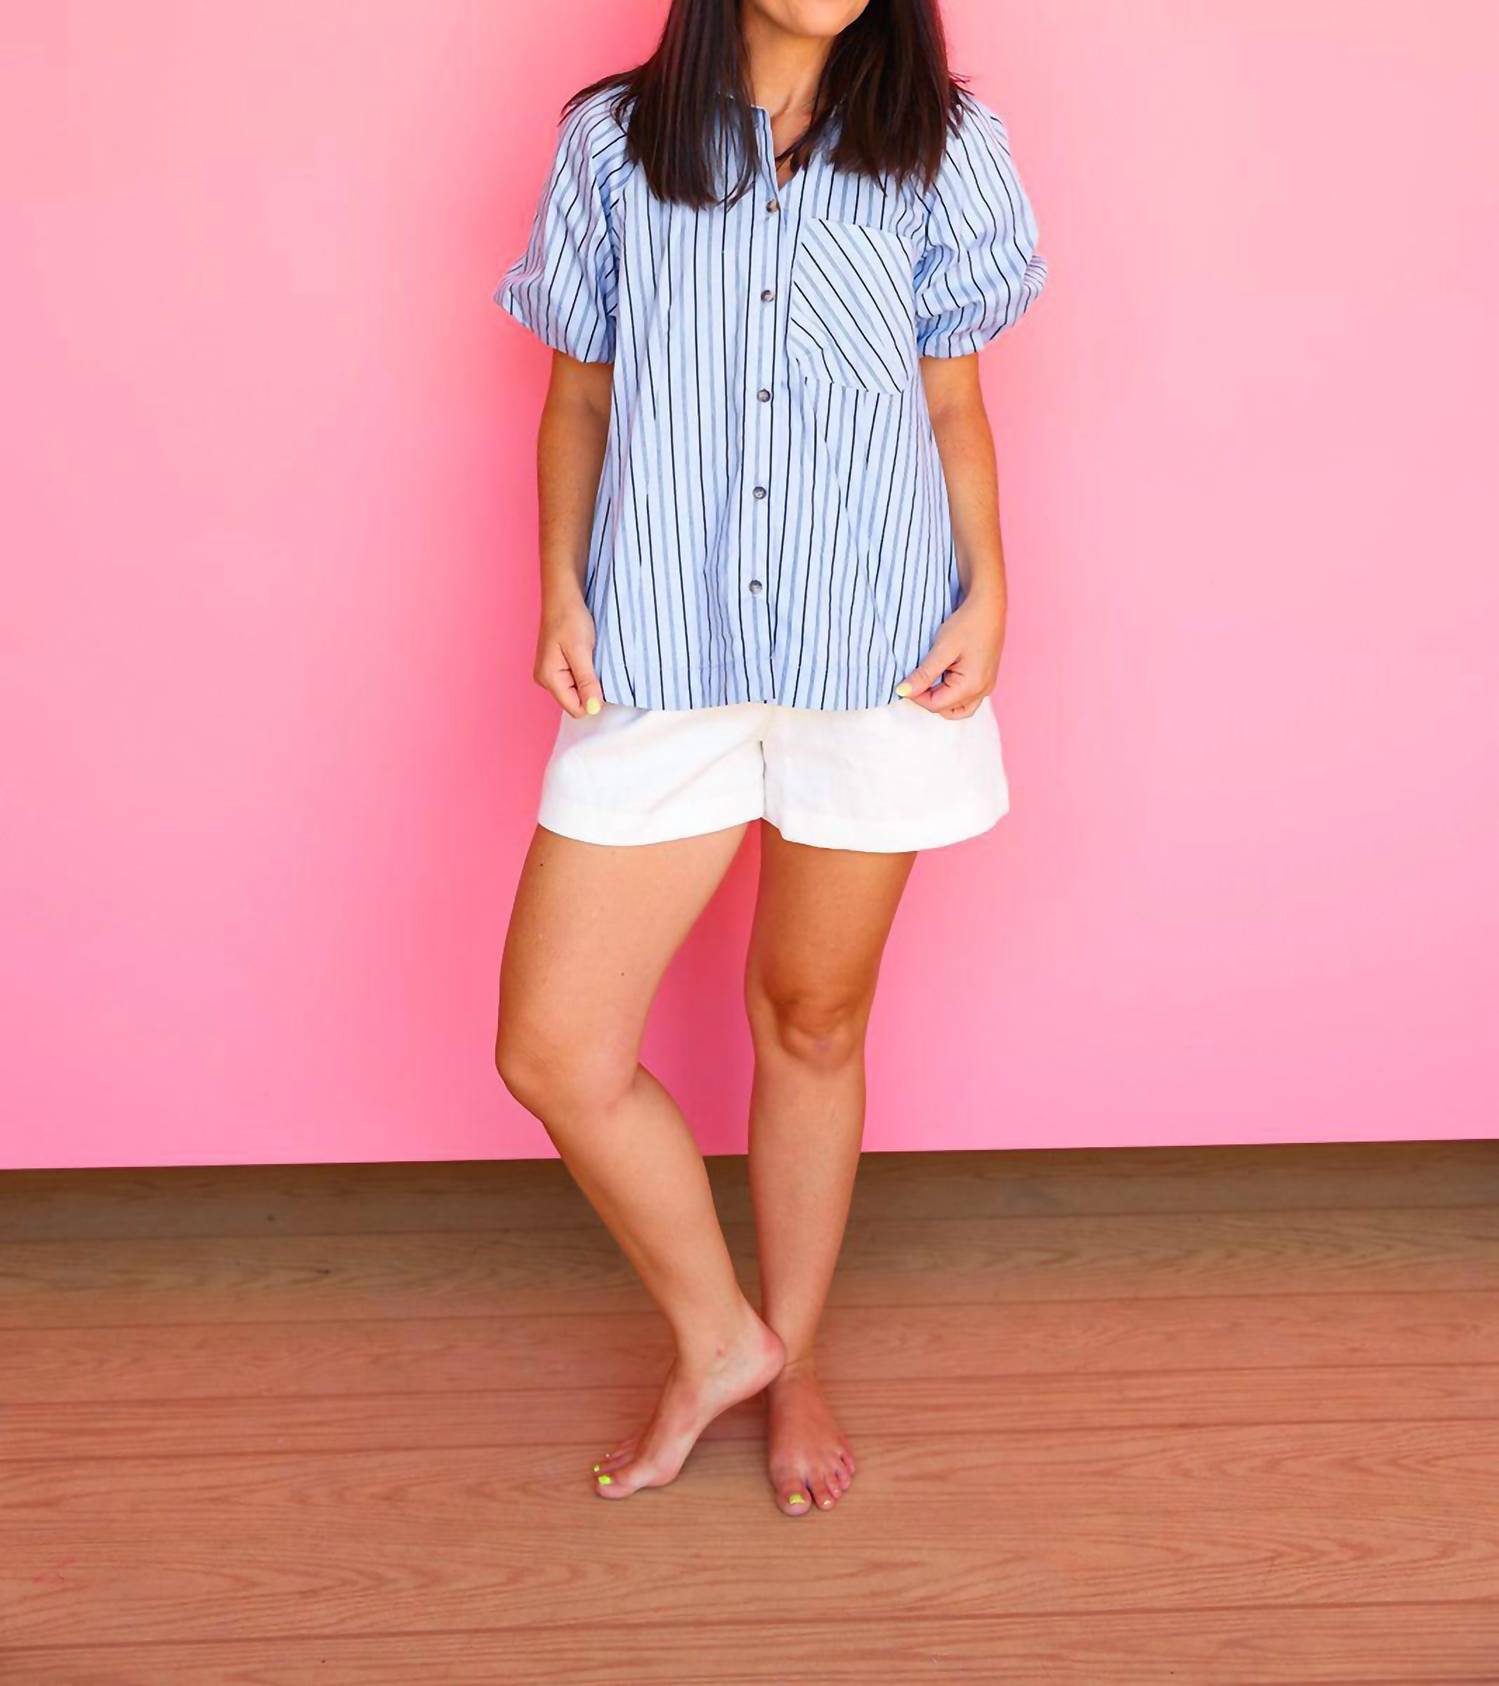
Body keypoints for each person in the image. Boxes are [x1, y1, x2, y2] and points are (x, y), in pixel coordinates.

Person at [491, 0, 1047, 1516]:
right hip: (662, 642)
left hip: (878, 651)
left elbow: (951, 397)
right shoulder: (613, 144)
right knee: (555, 1046)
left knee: (811, 1017)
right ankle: (722, 1335)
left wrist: (991, 590)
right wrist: (560, 587)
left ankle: (795, 1355)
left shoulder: (947, 148)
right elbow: (581, 388)